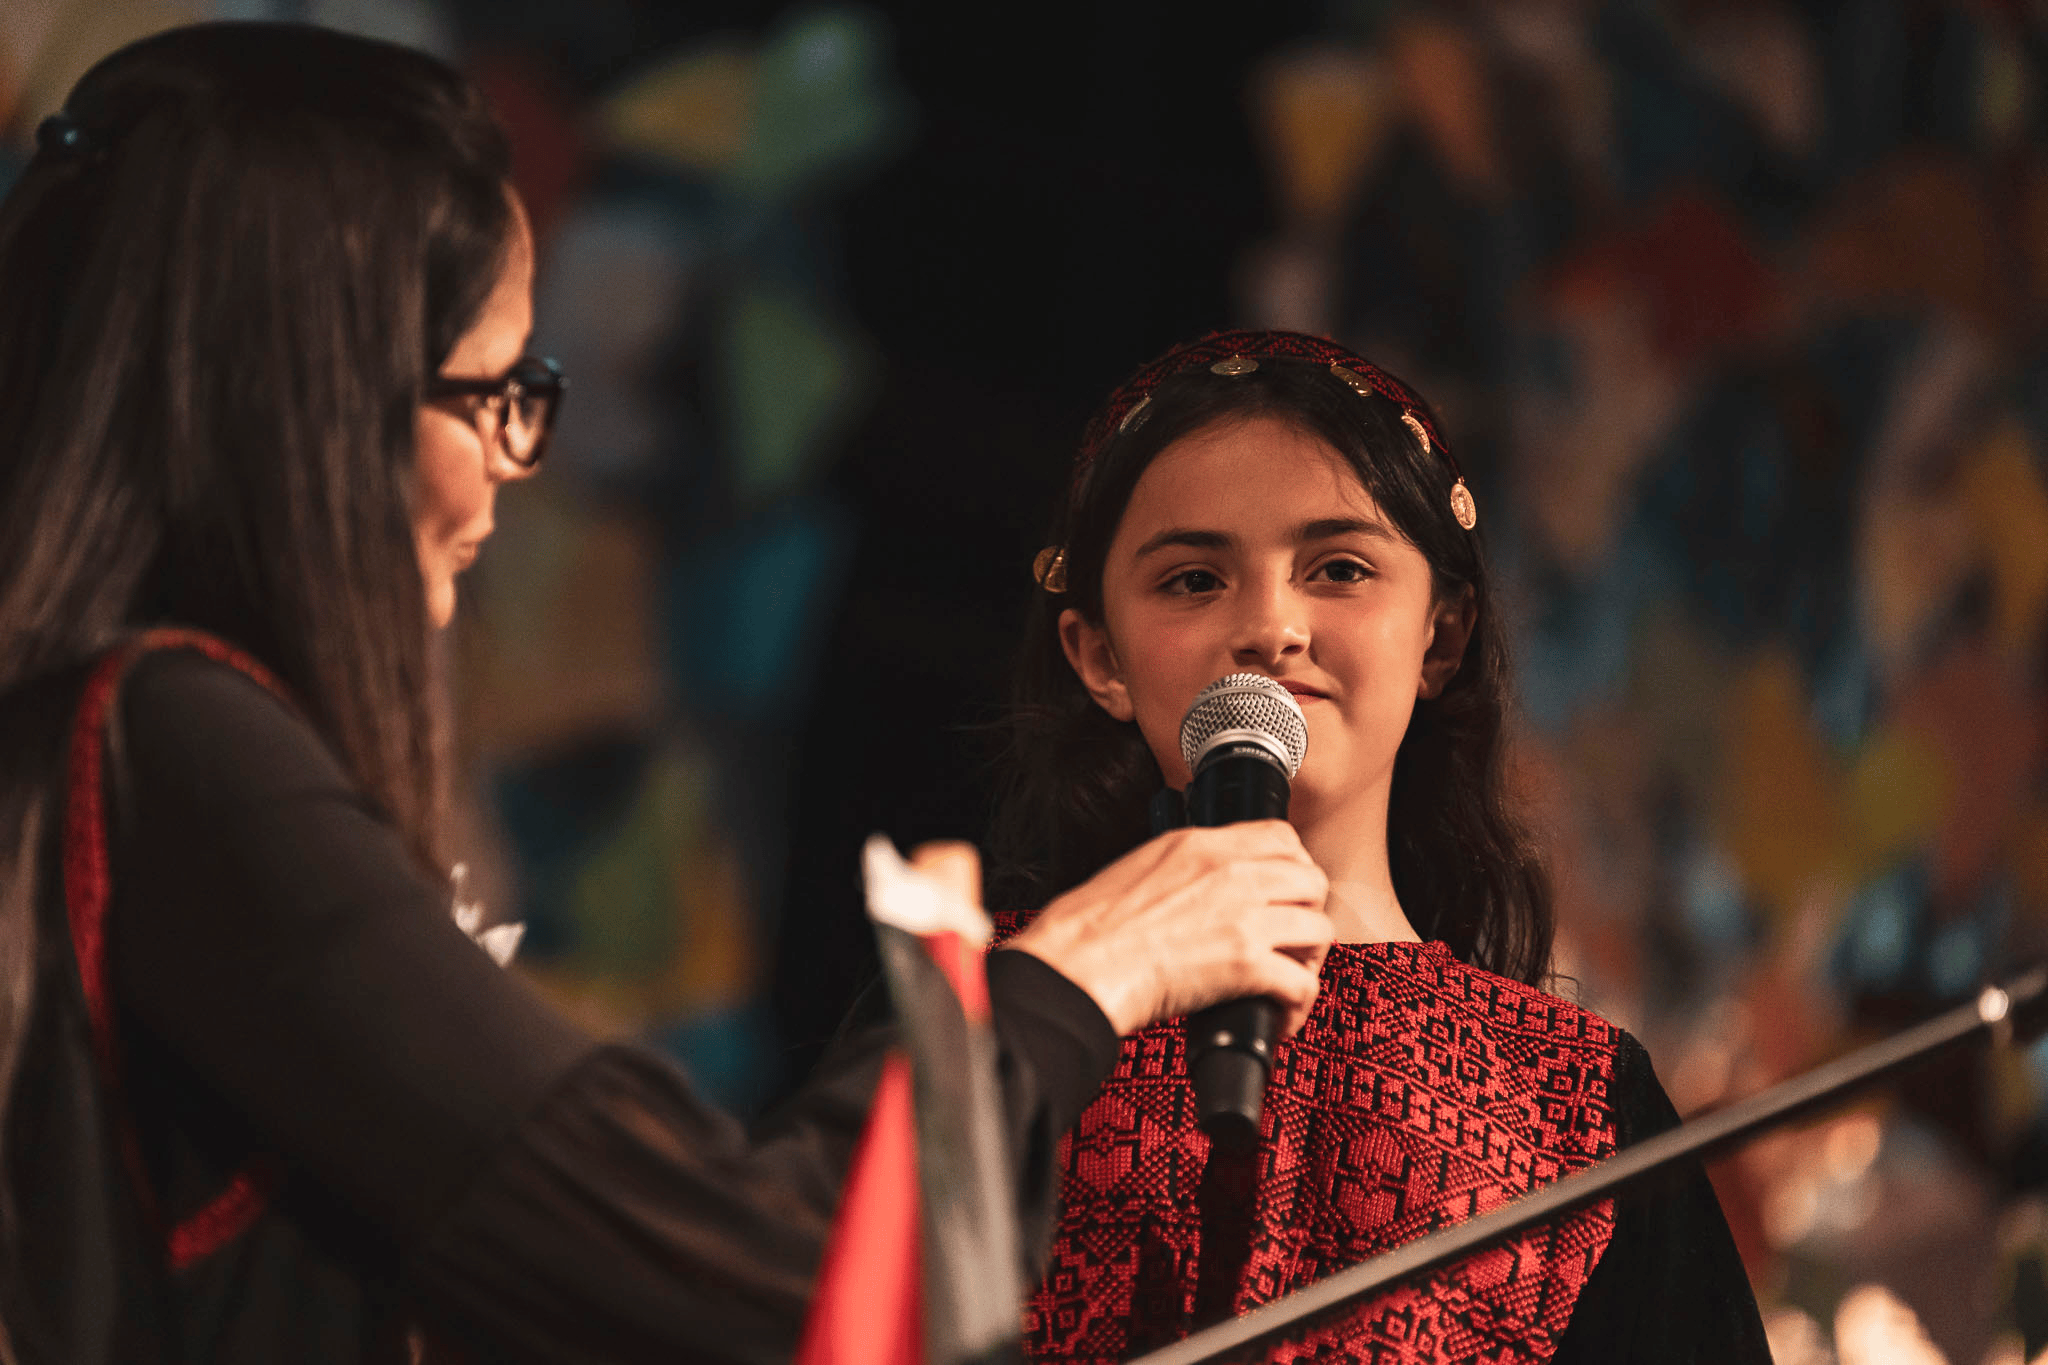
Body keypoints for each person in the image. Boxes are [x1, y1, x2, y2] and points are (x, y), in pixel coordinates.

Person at [0, 26, 1337, 1365]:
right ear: (319, 404)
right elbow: (760, 1271)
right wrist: (1084, 970)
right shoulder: (179, 746)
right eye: (494, 392)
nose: (516, 461)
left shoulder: (126, 739)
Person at [988, 329, 1773, 1364]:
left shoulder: (1574, 1100)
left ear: (1440, 636)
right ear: (1099, 657)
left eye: (1339, 568)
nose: (1270, 626)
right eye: (1192, 580)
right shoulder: (997, 1004)